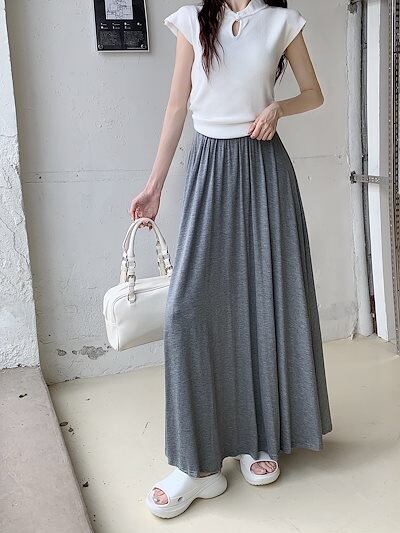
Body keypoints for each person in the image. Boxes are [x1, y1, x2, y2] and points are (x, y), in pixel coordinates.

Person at [129, 0, 332, 519]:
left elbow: (314, 93)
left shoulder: (282, 22)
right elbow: (177, 106)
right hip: (209, 169)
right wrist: (154, 186)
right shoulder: (192, 20)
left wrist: (278, 108)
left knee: (263, 302)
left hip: (264, 170)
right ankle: (196, 466)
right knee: (187, 312)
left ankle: (257, 437)